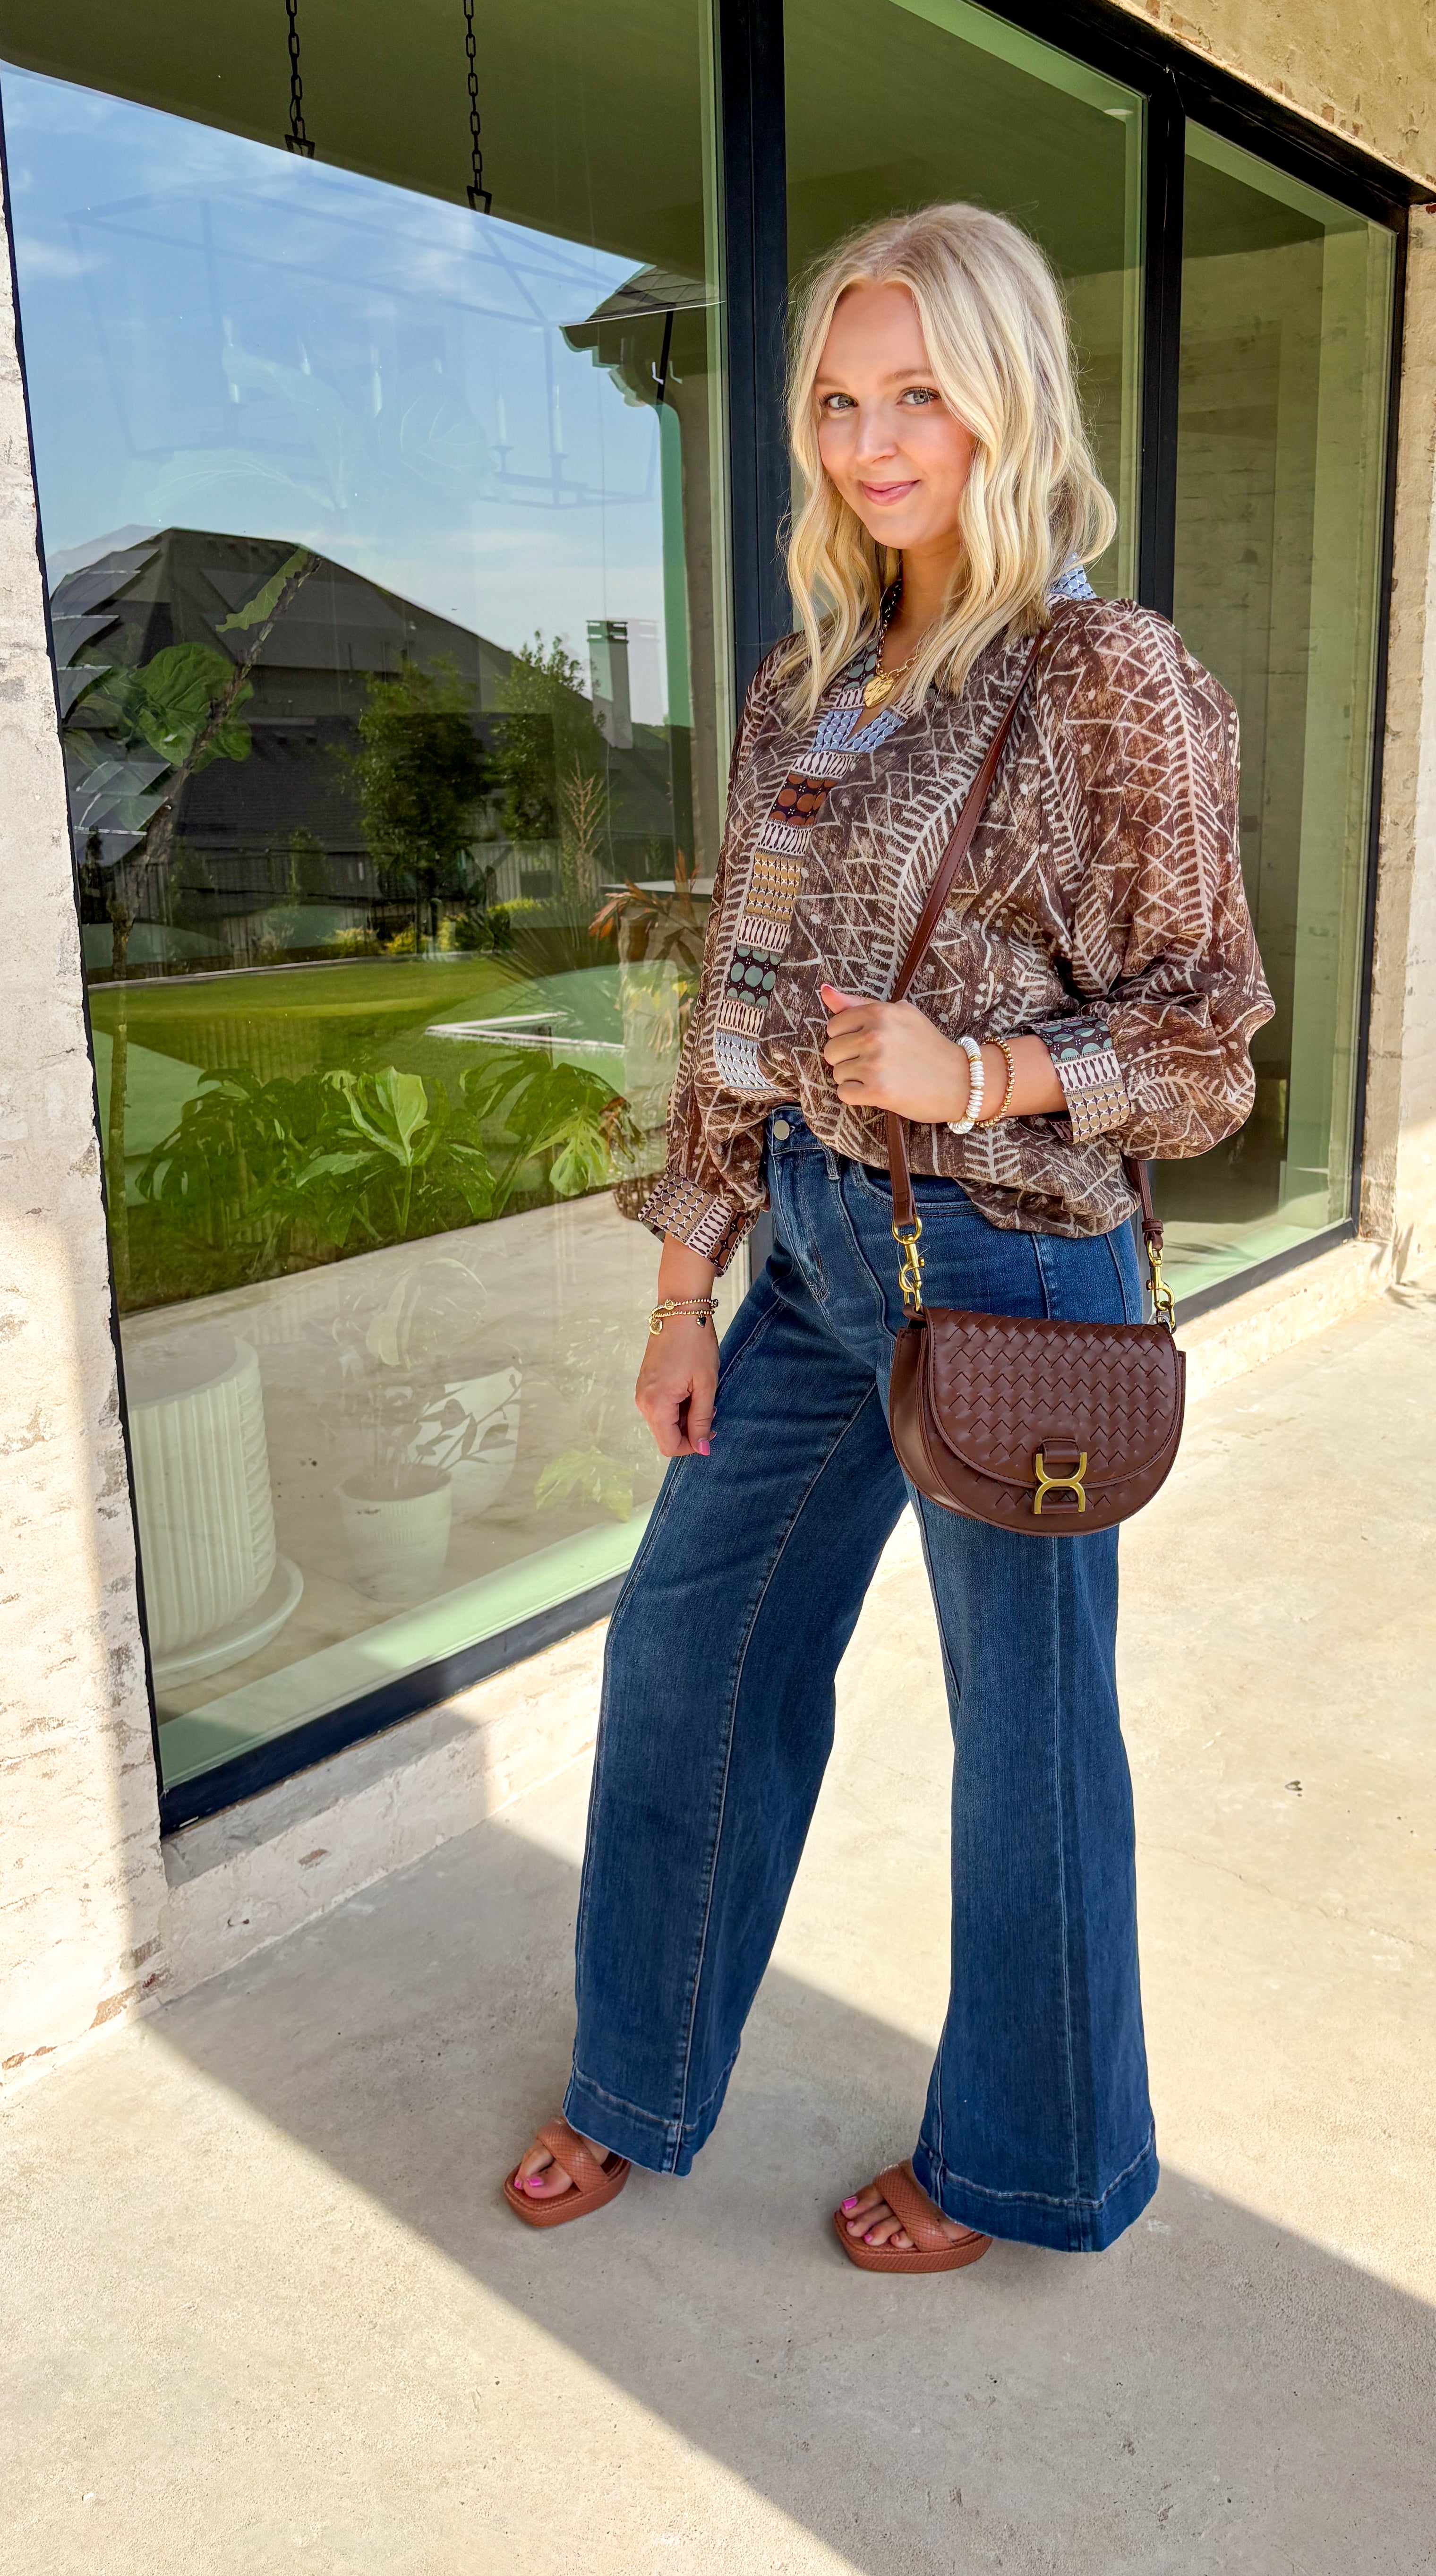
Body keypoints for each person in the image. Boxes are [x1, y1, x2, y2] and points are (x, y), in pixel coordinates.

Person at [505, 200, 1272, 2268]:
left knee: (1024, 1737)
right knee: (688, 1657)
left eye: (919, 393)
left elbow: (1209, 1048)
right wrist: (687, 1286)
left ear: (1008, 400)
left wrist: (990, 1080)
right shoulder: (809, 684)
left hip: (1015, 1273)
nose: (872, 442)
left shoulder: (1109, 677)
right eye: (843, 402)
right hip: (812, 1271)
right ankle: (635, 2080)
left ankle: (1031, 2156)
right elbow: (732, 1015)